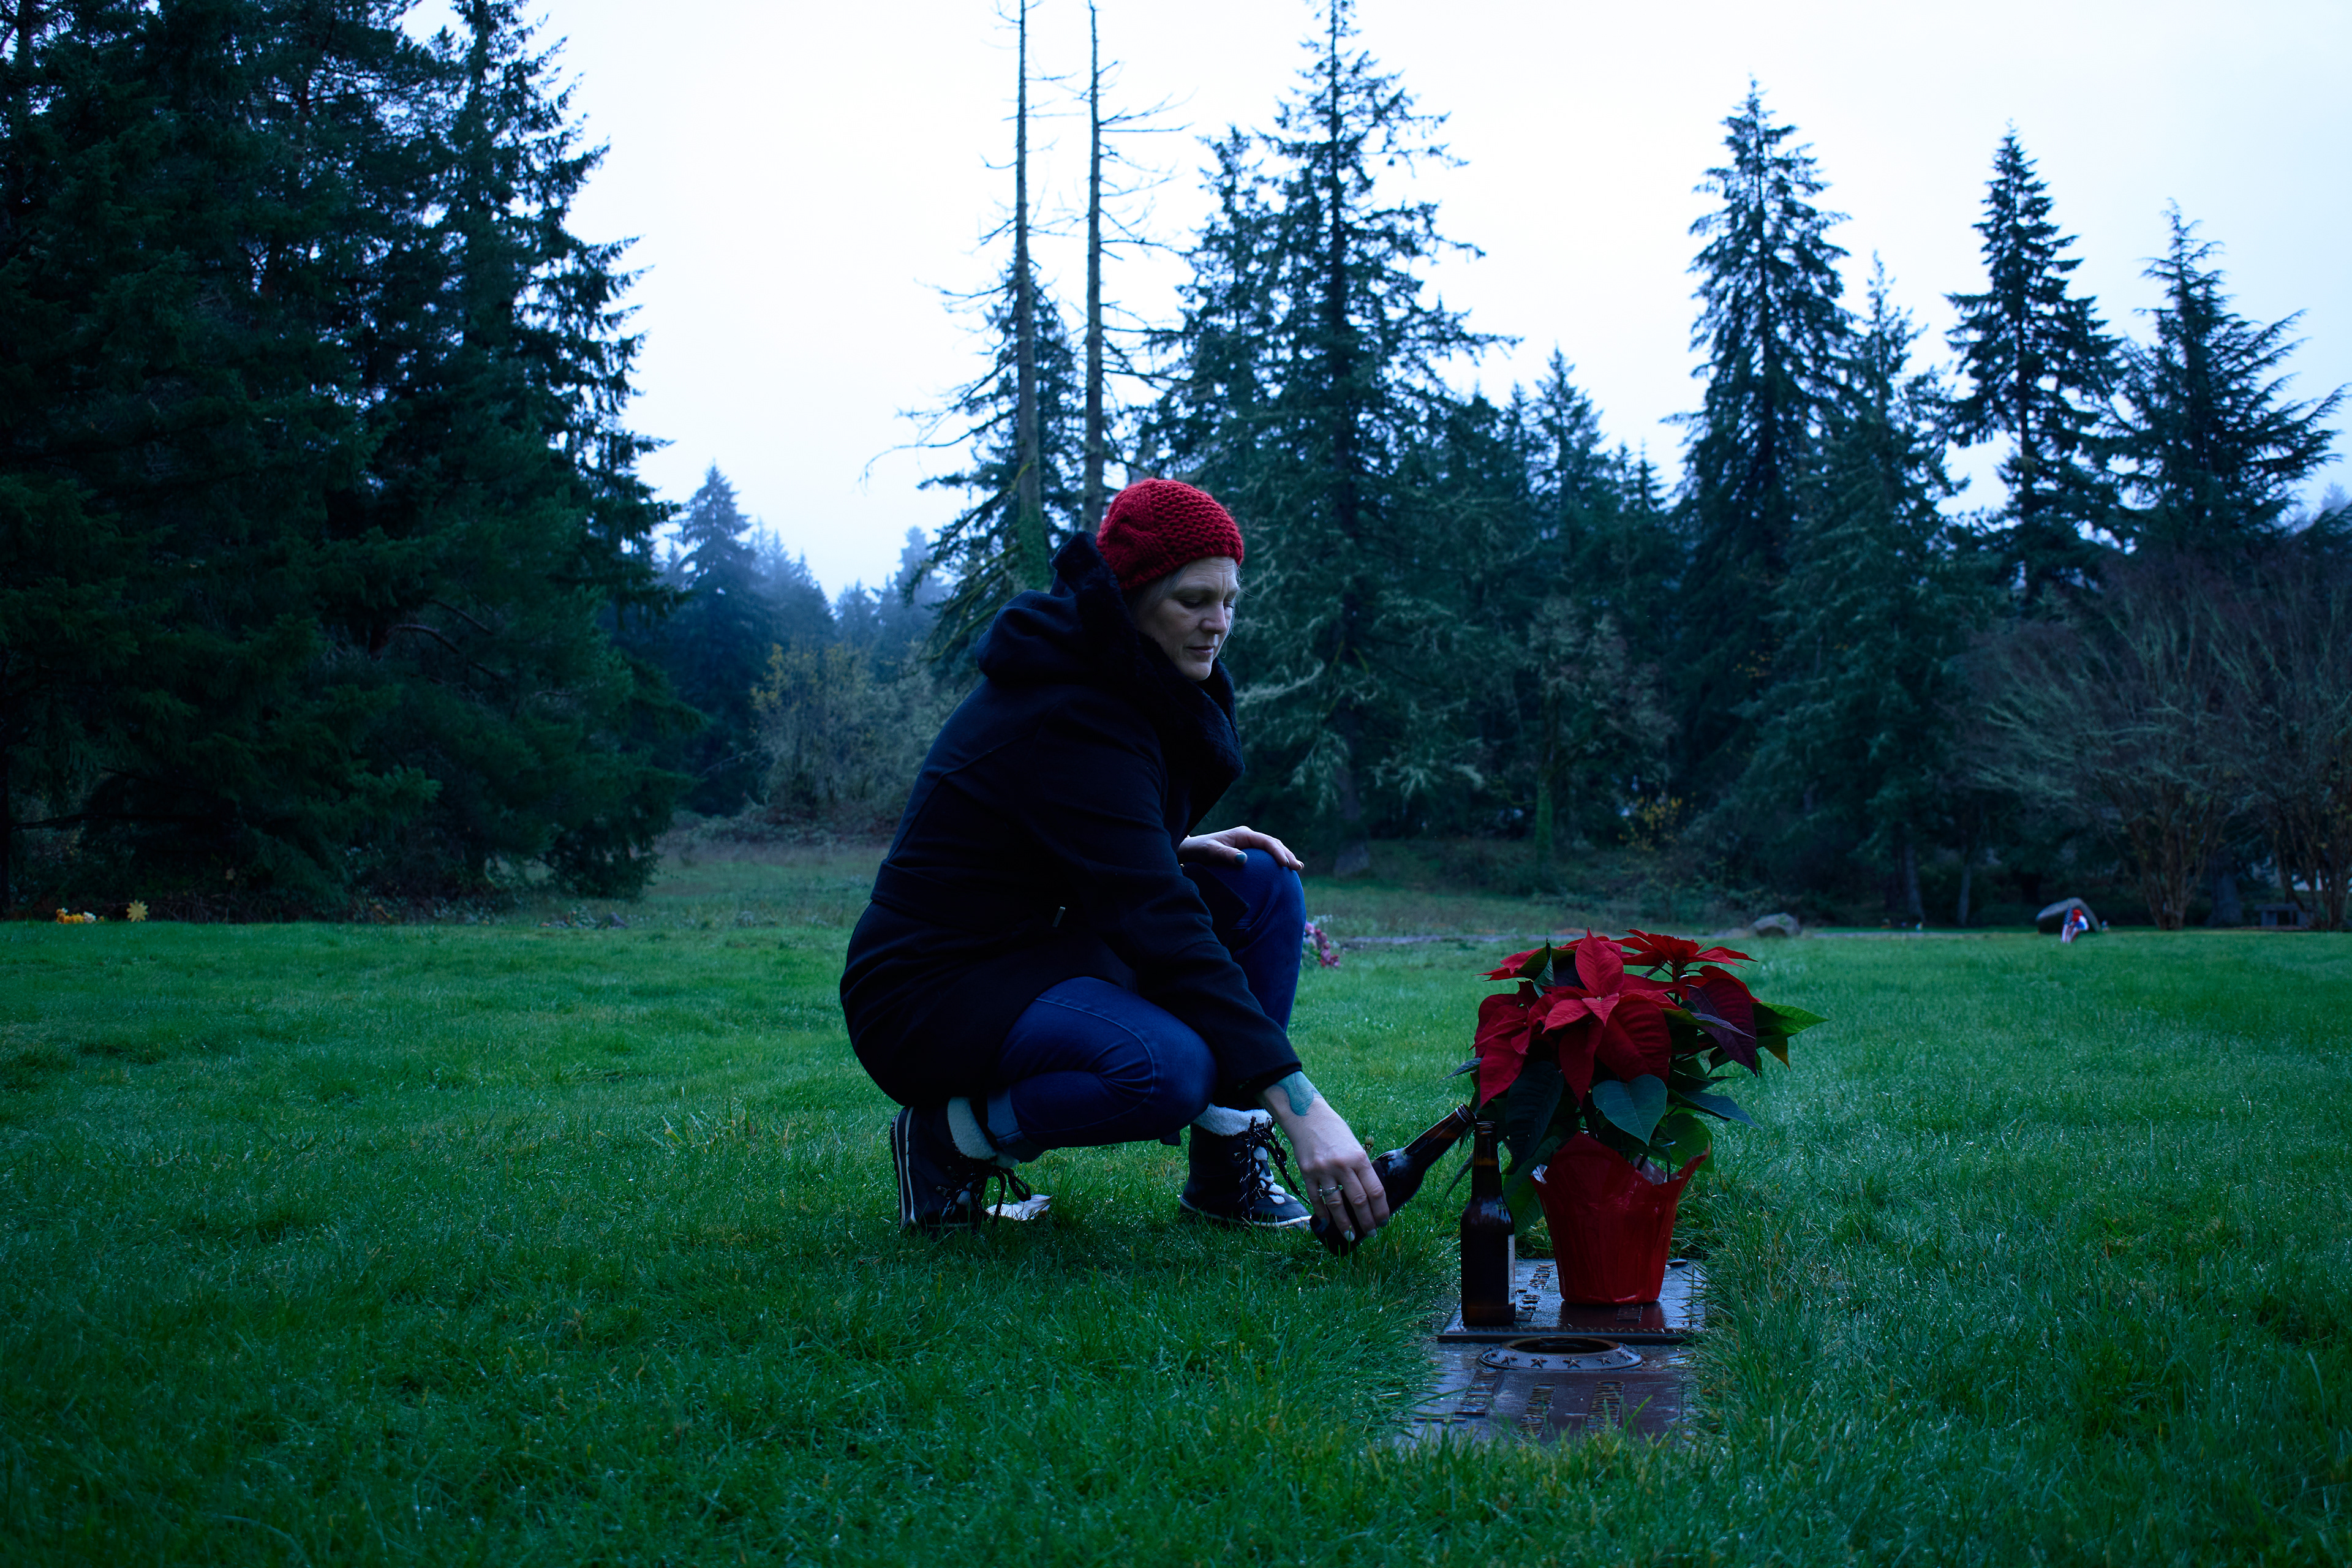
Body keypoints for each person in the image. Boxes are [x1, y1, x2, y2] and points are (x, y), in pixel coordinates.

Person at [840, 478, 1392, 1242]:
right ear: (1131, 595)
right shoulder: (1072, 705)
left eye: (1229, 600)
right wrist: (1303, 1107)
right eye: (1194, 600)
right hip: (930, 989)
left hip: (1033, 945)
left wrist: (1161, 847)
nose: (1219, 623)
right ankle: (946, 1139)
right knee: (1165, 1068)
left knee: (1260, 883)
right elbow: (1158, 921)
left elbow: (1071, 835)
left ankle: (1226, 1170)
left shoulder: (1131, 676)